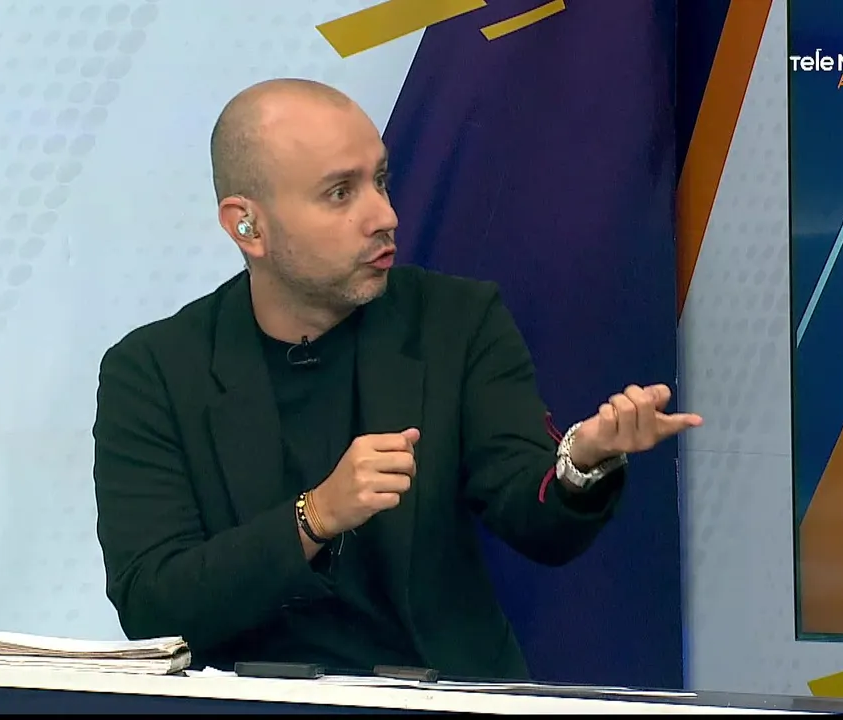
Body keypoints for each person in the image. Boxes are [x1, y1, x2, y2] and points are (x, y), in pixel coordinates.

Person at [91, 78, 702, 680]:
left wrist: (581, 463)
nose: (385, 216)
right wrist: (315, 516)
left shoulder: (456, 322)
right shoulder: (152, 373)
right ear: (247, 225)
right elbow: (152, 604)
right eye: (340, 193)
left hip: (441, 695)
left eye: (380, 180)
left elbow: (534, 516)